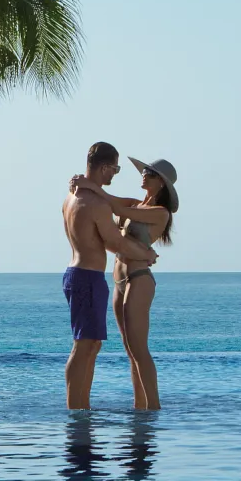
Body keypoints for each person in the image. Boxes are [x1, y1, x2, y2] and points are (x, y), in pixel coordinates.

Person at [61, 142, 158, 409]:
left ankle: (82, 407)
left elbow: (97, 237)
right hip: (87, 278)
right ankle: (76, 409)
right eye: (114, 168)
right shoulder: (94, 203)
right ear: (104, 167)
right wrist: (145, 254)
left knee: (91, 345)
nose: (115, 173)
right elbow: (115, 242)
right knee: (83, 345)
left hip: (77, 274)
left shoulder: (72, 198)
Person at [103, 157, 177, 410]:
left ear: (162, 185)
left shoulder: (160, 213)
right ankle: (139, 408)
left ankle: (153, 408)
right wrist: (85, 185)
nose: (144, 175)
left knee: (139, 348)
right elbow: (108, 205)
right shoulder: (137, 204)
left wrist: (90, 186)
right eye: (145, 171)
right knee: (129, 349)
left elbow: (117, 209)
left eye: (151, 174)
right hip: (118, 280)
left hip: (139, 279)